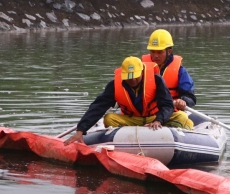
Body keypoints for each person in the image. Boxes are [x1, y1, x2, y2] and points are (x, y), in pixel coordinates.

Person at [64, 56, 192, 145]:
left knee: (181, 116)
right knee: (109, 119)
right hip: (132, 119)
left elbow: (167, 105)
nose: (132, 81)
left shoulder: (156, 80)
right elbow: (98, 107)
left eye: (135, 77)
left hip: (154, 118)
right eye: (129, 78)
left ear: (142, 71)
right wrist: (81, 130)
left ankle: (171, 135)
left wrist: (159, 120)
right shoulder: (115, 84)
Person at [142, 29, 196, 112]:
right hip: (146, 112)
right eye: (152, 52)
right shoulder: (141, 67)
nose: (155, 56)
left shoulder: (180, 71)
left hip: (171, 110)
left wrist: (183, 101)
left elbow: (190, 97)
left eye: (160, 52)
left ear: (169, 51)